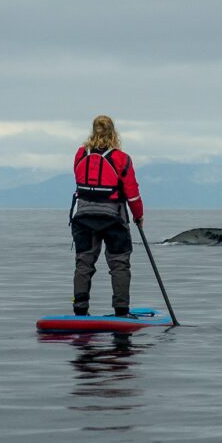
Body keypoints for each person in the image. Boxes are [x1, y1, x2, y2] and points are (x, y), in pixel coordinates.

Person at [69, 115, 144, 317]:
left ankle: (80, 311)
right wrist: (139, 216)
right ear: (114, 133)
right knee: (119, 263)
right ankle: (121, 311)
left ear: (93, 131)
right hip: (113, 219)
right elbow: (132, 193)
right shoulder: (121, 158)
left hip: (83, 217)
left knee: (83, 263)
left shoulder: (80, 154)